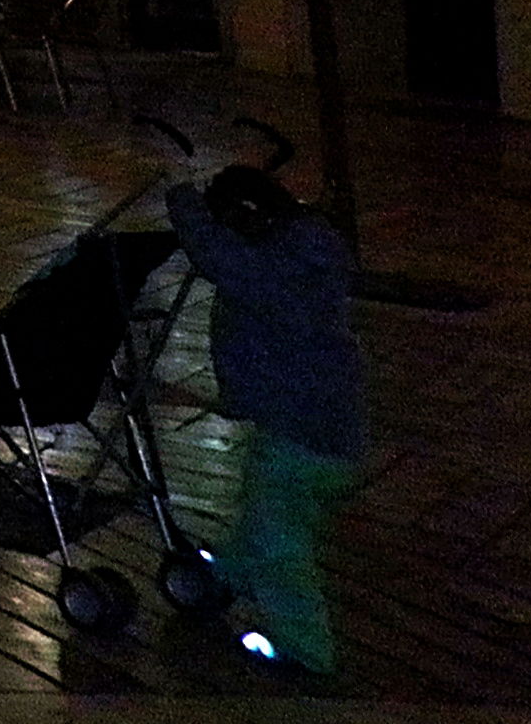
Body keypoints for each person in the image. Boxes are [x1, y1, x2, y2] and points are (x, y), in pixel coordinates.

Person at [166, 149, 369, 675]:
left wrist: (183, 199)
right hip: (330, 425)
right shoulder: (308, 249)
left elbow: (218, 256)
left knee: (282, 543)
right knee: (269, 511)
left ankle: (304, 650)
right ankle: (228, 572)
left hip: (296, 431)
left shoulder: (270, 274)